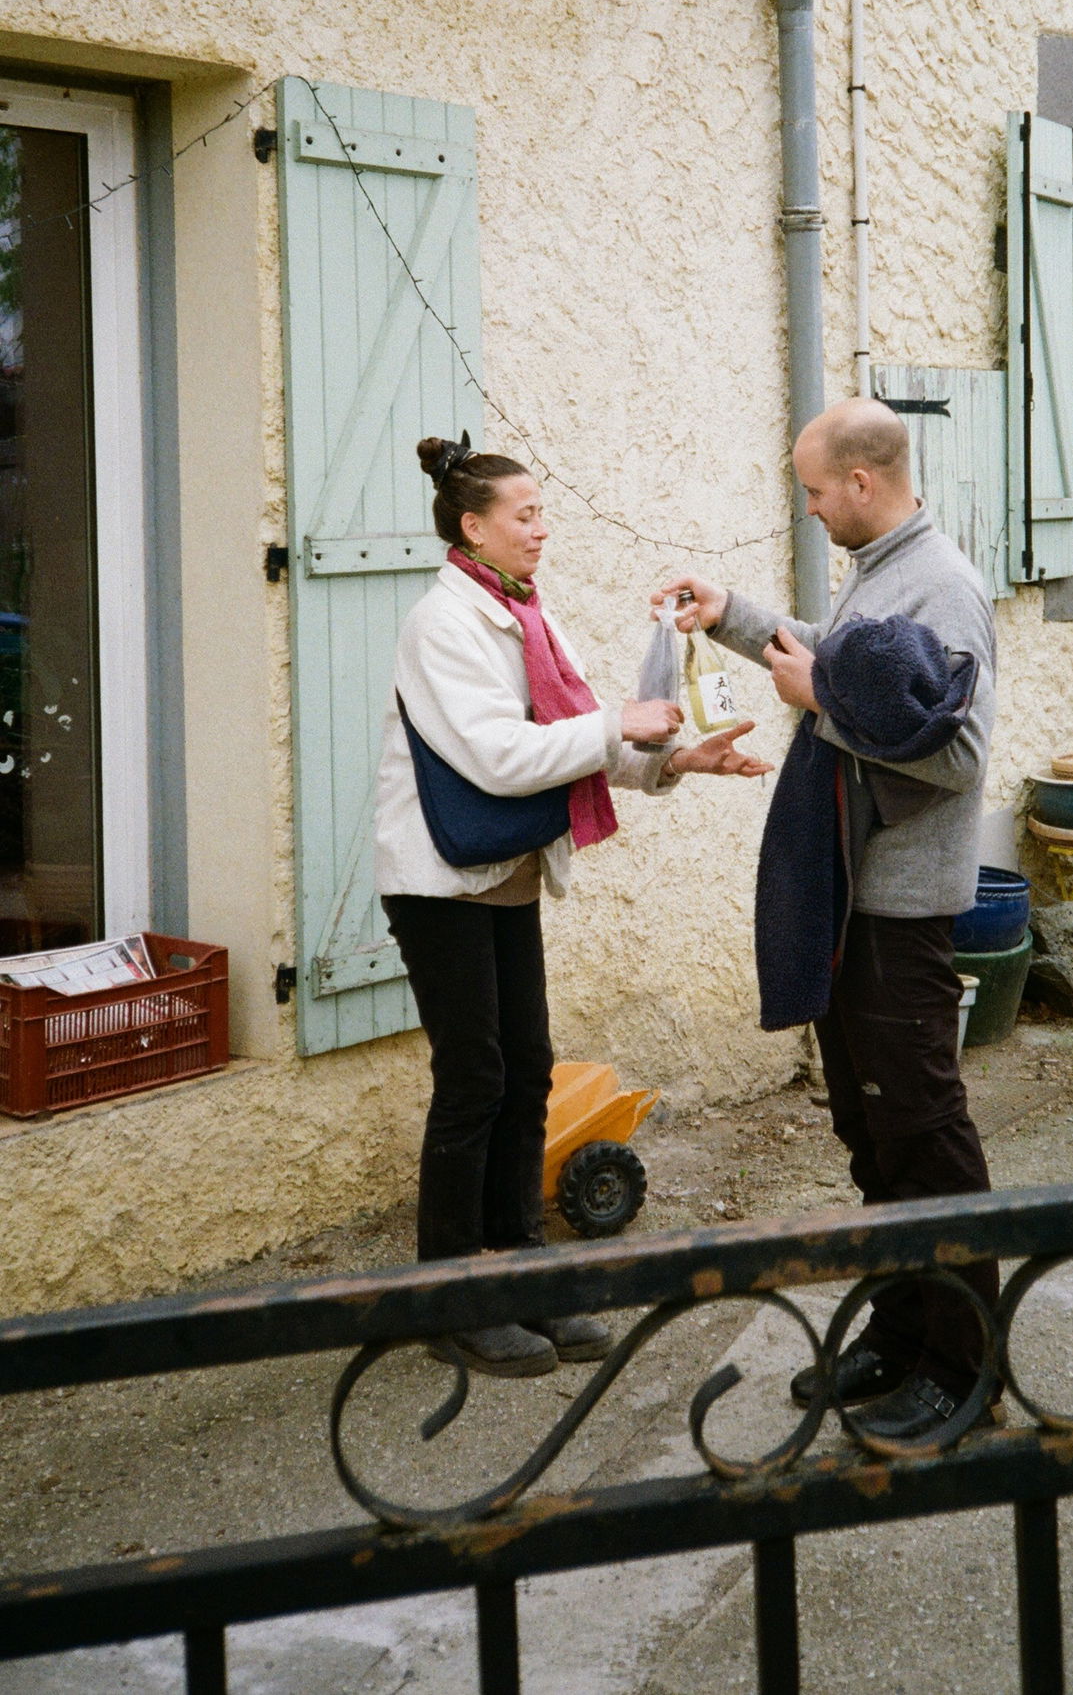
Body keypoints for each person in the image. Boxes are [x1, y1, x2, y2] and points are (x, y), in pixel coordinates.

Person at [375, 436, 770, 1379]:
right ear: (473, 526)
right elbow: (501, 757)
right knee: (474, 1077)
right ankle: (449, 1298)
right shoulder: (444, 623)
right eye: (526, 513)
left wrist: (678, 761)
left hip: (502, 870)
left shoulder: (523, 615)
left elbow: (582, 740)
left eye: (543, 510)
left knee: (528, 1067)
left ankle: (518, 1266)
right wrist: (615, 727)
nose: (543, 528)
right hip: (439, 881)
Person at [666, 397, 999, 1443]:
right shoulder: (880, 569)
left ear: (861, 482)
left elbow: (957, 755)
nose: (807, 508)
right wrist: (732, 614)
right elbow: (839, 663)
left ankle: (964, 1368)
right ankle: (904, 1333)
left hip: (900, 913)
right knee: (871, 1133)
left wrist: (826, 704)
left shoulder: (944, 587)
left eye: (813, 490)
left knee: (924, 1139)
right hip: (855, 905)